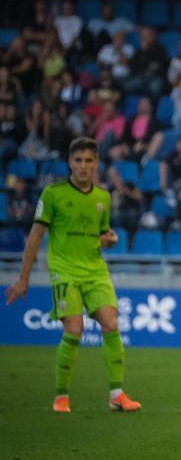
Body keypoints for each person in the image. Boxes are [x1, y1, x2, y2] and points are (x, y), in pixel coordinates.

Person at [4, 138, 141, 413]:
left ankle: (117, 394)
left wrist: (109, 239)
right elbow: (35, 236)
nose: (83, 166)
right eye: (78, 160)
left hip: (95, 269)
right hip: (65, 270)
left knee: (111, 323)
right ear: (69, 162)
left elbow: (102, 233)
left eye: (89, 160)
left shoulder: (103, 197)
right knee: (74, 329)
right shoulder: (53, 194)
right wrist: (23, 278)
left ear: (96, 163)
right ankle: (61, 396)